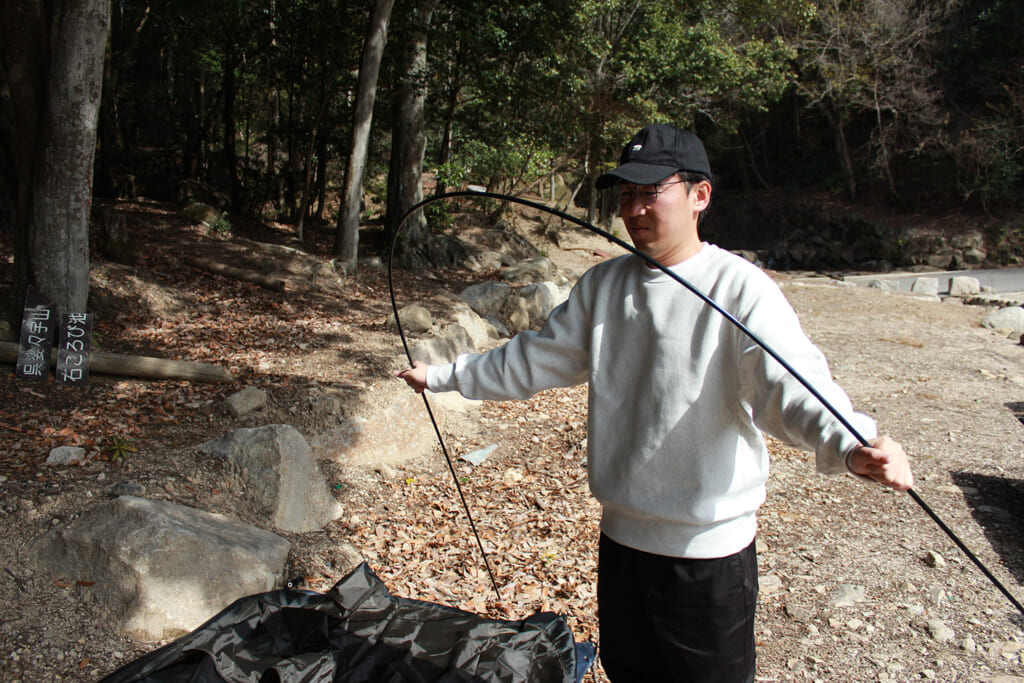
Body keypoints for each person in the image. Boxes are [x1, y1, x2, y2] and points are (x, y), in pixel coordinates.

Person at [395, 123, 913, 682]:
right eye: (624, 196)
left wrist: (851, 444)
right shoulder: (603, 286)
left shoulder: (740, 288)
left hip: (709, 561)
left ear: (699, 195)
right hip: (622, 546)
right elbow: (531, 359)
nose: (634, 210)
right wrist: (445, 375)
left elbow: (789, 385)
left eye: (650, 192)